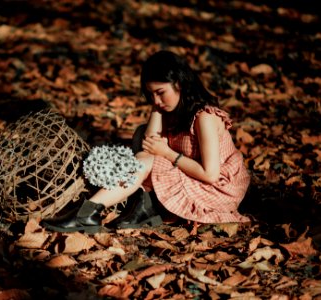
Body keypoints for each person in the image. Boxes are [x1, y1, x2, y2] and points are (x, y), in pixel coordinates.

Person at [41, 50, 251, 233]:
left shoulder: (204, 117)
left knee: (150, 156)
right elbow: (148, 147)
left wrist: (167, 153)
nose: (156, 100)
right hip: (191, 174)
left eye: (161, 93)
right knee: (142, 133)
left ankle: (89, 212)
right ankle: (142, 205)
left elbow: (210, 174)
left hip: (217, 188)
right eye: (150, 95)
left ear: (179, 84)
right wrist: (156, 108)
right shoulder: (169, 110)